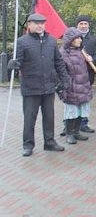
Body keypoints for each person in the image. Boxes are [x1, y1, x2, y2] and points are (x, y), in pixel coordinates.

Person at [9, 13, 69, 156]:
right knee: (30, 117)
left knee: (49, 116)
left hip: (48, 86)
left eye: (42, 23)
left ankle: (49, 142)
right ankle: (28, 145)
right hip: (31, 87)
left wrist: (65, 79)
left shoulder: (52, 41)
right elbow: (18, 62)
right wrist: (13, 64)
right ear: (29, 25)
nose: (40, 25)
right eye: (36, 23)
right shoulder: (22, 42)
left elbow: (58, 62)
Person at [59, 27, 94, 145]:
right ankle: (69, 133)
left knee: (81, 111)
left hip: (83, 85)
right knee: (71, 111)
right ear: (71, 39)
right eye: (77, 38)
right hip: (72, 86)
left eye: (80, 38)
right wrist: (66, 84)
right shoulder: (63, 53)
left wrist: (89, 61)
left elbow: (85, 69)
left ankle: (76, 131)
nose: (79, 40)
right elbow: (60, 70)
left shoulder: (81, 51)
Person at [75, 15, 96, 133]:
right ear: (77, 25)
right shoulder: (71, 38)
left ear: (88, 25)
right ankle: (69, 124)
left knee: (85, 99)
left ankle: (83, 123)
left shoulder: (93, 40)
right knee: (72, 100)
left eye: (85, 24)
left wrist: (92, 59)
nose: (83, 26)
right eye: (81, 24)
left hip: (87, 74)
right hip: (74, 75)